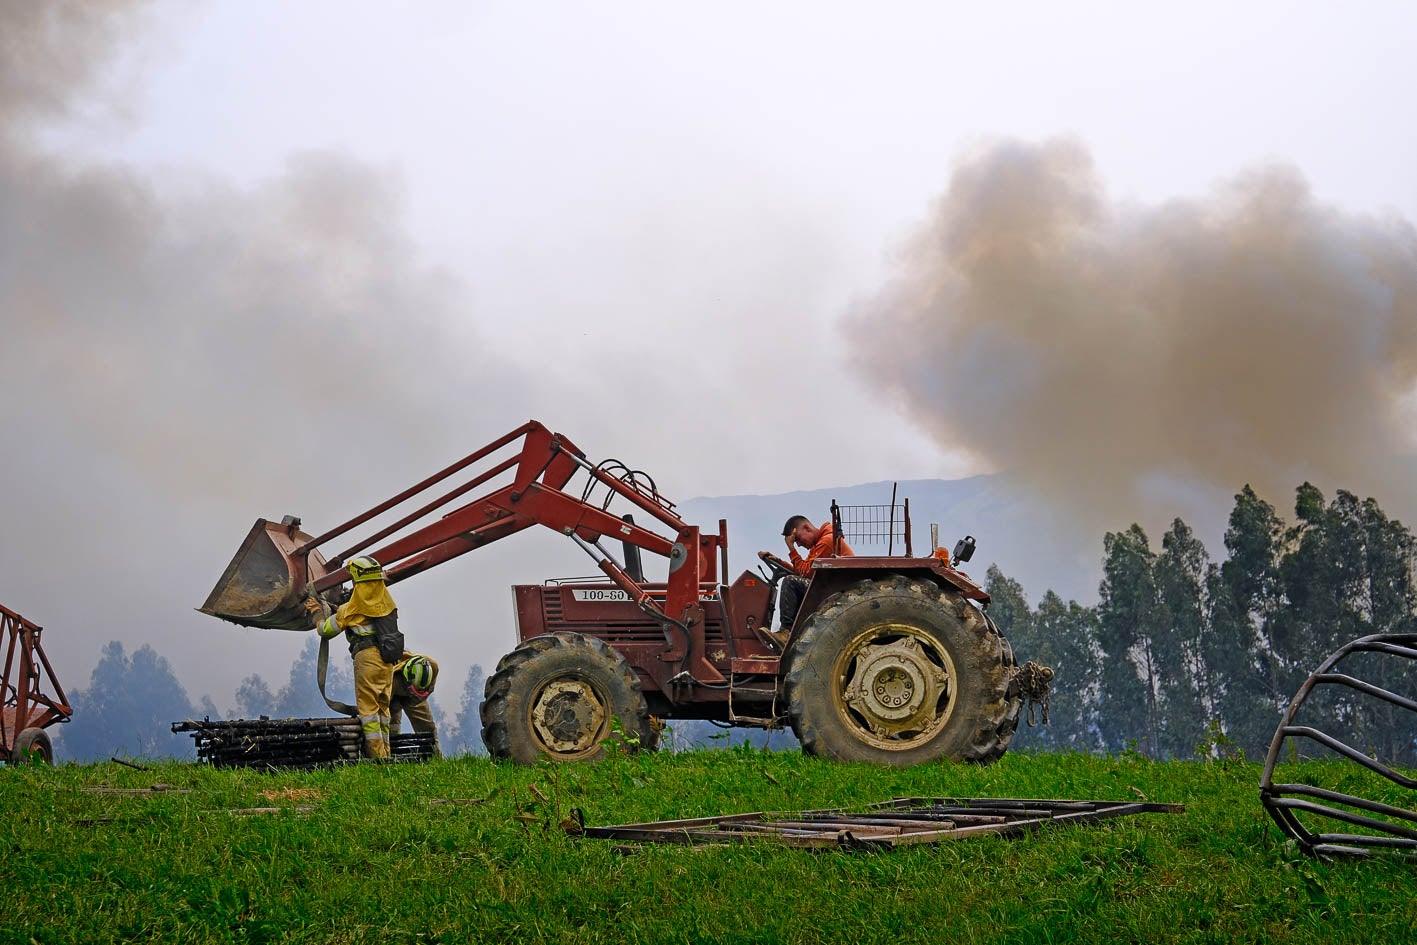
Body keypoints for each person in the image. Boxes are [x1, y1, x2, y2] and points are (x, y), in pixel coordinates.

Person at [305, 555, 403, 760]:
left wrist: (316, 613)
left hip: (367, 659)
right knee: (382, 709)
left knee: (367, 710)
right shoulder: (386, 601)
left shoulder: (353, 606)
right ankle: (385, 754)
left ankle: (376, 757)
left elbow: (326, 630)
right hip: (387, 661)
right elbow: (359, 618)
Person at [775, 514, 854, 636]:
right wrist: (779, 562)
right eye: (796, 543)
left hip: (836, 590)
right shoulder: (817, 546)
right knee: (794, 582)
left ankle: (786, 632)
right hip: (830, 586)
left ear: (806, 528)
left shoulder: (827, 542)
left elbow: (805, 573)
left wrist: (791, 548)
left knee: (790, 582)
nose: (799, 544)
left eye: (798, 540)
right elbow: (803, 570)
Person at [389, 651, 442, 758]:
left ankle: (435, 756)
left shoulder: (432, 666)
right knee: (390, 722)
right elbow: (380, 705)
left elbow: (429, 689)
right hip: (392, 695)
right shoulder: (391, 678)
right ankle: (390, 753)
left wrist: (417, 697)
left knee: (426, 725)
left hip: (417, 697)